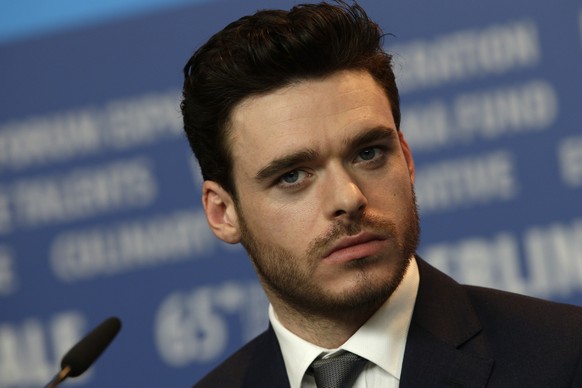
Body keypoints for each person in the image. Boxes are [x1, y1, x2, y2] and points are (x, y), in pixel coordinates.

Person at [181, 1, 582, 387]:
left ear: (406, 159)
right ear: (222, 212)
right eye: (292, 176)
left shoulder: (565, 356)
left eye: (368, 153)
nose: (348, 197)